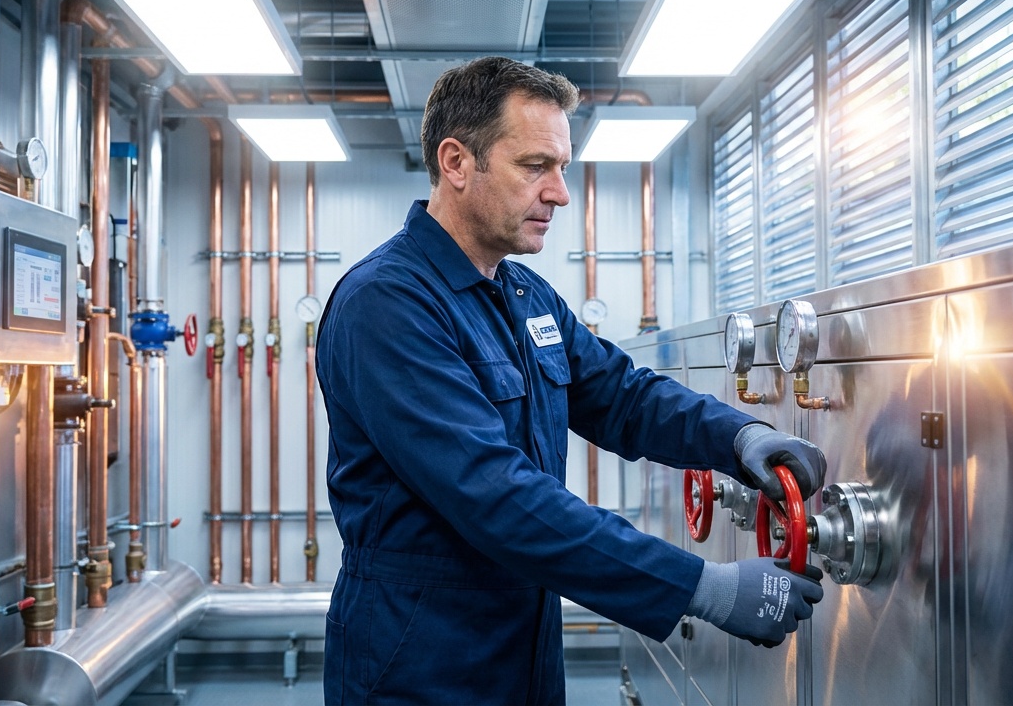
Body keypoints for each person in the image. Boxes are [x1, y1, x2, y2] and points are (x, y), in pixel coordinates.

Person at [315, 56, 826, 705]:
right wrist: (706, 587)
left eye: (562, 167)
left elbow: (620, 395)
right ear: (456, 162)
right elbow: (495, 496)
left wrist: (739, 438)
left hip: (521, 646)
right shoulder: (386, 304)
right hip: (419, 661)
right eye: (536, 166)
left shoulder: (522, 292)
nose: (559, 192)